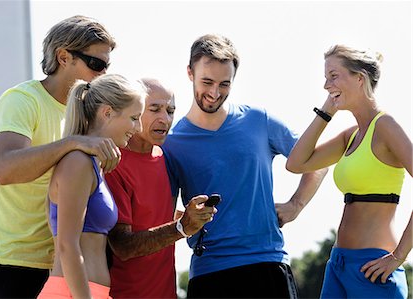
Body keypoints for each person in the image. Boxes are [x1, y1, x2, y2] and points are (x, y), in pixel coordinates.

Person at [162, 34, 328, 298]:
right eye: (207, 82)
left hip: (268, 265)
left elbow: (316, 161)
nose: (215, 92)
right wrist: (189, 218)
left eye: (224, 84)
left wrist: (295, 204)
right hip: (210, 273)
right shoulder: (172, 144)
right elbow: (164, 212)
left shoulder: (258, 121)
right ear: (189, 73)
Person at [0, 15, 120, 298]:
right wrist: (72, 142)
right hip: (8, 265)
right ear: (63, 57)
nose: (102, 74)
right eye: (96, 64)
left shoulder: (84, 115)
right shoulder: (21, 101)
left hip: (56, 268)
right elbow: (5, 169)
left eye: (107, 67)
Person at [286, 45, 411, 298]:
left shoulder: (385, 126)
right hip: (338, 265)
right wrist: (325, 112)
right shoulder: (350, 136)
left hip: (374, 268)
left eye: (333, 76)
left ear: (359, 78)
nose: (326, 85)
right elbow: (296, 164)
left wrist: (399, 256)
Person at [37, 73, 146, 299]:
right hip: (71, 294)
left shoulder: (92, 164)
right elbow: (67, 245)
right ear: (107, 112)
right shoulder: (77, 162)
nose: (138, 127)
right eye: (134, 118)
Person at [106, 78, 215, 299]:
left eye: (170, 110)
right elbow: (122, 246)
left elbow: (148, 216)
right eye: (154, 109)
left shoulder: (164, 157)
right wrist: (181, 227)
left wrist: (188, 218)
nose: (165, 119)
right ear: (135, 110)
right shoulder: (114, 163)